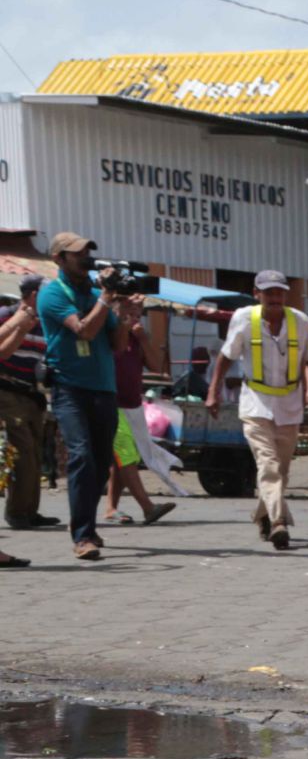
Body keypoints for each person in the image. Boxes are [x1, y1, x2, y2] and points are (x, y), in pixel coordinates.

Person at [209, 270, 308, 551]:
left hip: (289, 405)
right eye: (269, 292)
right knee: (268, 465)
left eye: (280, 292)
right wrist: (213, 391)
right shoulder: (243, 319)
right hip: (255, 404)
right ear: (257, 293)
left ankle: (263, 514)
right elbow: (226, 357)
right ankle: (278, 522)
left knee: (281, 471)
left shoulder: (300, 322)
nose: (275, 297)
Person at [37, 232, 133, 561]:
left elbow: (118, 345)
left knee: (102, 462)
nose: (87, 259)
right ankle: (83, 535)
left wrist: (129, 315)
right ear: (59, 260)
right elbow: (84, 331)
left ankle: (84, 523)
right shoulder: (51, 295)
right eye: (78, 254)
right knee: (81, 456)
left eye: (88, 253)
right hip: (69, 388)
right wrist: (107, 297)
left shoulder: (96, 294)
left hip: (103, 388)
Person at [102, 301, 179, 526]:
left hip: (132, 405)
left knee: (123, 458)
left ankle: (111, 508)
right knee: (125, 452)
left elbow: (156, 367)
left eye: (138, 314)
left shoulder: (137, 339)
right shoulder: (109, 336)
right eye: (128, 313)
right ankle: (147, 507)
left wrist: (144, 339)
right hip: (111, 403)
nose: (134, 318)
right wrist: (123, 330)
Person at [2, 278, 62, 533]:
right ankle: (16, 513)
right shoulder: (8, 315)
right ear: (34, 294)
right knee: (22, 450)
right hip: (6, 389)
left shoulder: (46, 322)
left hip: (31, 393)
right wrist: (20, 328)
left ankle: (30, 511)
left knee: (36, 452)